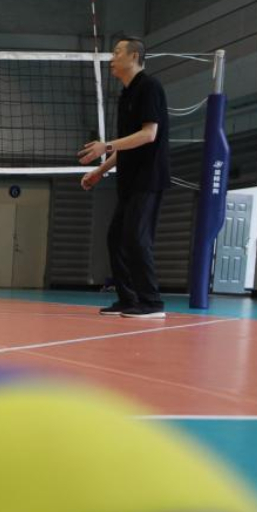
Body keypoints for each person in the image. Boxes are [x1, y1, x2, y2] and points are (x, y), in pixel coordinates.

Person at [80, 36, 171, 320]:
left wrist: (106, 145)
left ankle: (151, 303)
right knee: (116, 237)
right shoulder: (126, 94)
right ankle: (128, 299)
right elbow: (125, 145)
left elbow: (149, 134)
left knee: (135, 237)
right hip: (129, 181)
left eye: (117, 52)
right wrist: (99, 171)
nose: (111, 58)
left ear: (134, 57)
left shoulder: (149, 87)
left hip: (149, 178)